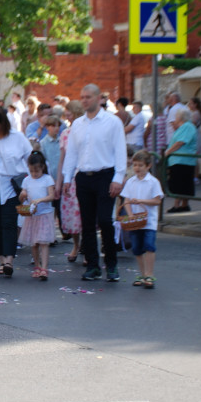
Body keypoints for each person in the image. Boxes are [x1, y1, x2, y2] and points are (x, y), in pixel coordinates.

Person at [61, 84, 127, 282]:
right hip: (83, 177)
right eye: (82, 97)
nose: (84, 100)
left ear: (99, 98)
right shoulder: (78, 124)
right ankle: (92, 266)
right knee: (87, 223)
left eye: (88, 97)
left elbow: (120, 151)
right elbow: (72, 153)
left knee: (105, 221)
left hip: (105, 175)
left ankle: (112, 264)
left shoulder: (112, 122)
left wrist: (118, 178)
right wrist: (67, 178)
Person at [0, 106, 32, 278]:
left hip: (12, 184)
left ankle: (9, 261)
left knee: (9, 223)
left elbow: (31, 157)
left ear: (2, 124)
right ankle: (1, 260)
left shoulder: (18, 137)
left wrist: (30, 181)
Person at [117, 150, 163, 289]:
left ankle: (149, 274)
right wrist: (130, 213)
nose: (137, 168)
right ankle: (142, 274)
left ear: (148, 166)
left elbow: (157, 201)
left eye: (140, 165)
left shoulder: (153, 182)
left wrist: (142, 201)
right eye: (135, 165)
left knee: (149, 246)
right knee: (137, 248)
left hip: (149, 222)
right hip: (135, 222)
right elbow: (127, 199)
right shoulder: (131, 181)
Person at [18, 151, 56, 281]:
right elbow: (22, 197)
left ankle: (44, 268)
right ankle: (37, 266)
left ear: (42, 168)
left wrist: (40, 200)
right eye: (32, 171)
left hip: (44, 215)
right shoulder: (26, 180)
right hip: (32, 215)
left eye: (37, 171)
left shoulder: (47, 179)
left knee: (43, 242)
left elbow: (52, 196)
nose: (34, 174)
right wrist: (22, 196)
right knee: (34, 243)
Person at [57, 101, 84, 262]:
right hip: (69, 179)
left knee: (85, 216)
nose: (67, 115)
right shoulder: (65, 133)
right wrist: (59, 181)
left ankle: (88, 248)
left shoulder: (86, 131)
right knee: (72, 217)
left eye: (69, 112)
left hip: (83, 175)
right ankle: (76, 244)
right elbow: (62, 160)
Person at [165, 109, 198, 213]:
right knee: (183, 184)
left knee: (180, 184)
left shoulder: (187, 126)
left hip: (182, 160)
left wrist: (168, 152)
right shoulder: (185, 127)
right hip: (181, 160)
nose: (175, 118)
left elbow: (180, 142)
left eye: (176, 116)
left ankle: (177, 205)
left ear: (180, 117)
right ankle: (184, 205)